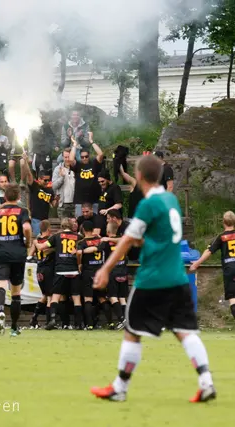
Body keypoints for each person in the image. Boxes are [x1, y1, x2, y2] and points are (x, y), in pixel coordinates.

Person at [90, 154, 216, 403]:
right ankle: (206, 382)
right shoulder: (171, 200)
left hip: (152, 279)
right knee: (185, 332)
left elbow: (127, 240)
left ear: (138, 176)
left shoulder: (148, 205)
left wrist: (104, 269)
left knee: (132, 332)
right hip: (177, 277)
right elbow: (159, 236)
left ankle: (119, 388)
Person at [0, 184, 32, 337]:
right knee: (16, 291)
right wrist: (28, 242)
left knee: (1, 285)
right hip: (18, 252)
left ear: (5, 197)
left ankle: (1, 311)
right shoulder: (22, 211)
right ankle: (14, 327)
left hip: (1, 252)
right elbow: (27, 228)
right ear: (18, 198)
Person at [36, 218, 82, 330]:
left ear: (62, 226)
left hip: (60, 269)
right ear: (72, 226)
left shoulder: (56, 236)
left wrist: (35, 243)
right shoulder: (79, 237)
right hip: (73, 269)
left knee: (55, 296)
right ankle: (79, 323)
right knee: (76, 297)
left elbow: (42, 248)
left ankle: (52, 319)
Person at [76, 220, 104, 329]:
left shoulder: (81, 242)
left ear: (82, 229)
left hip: (88, 272)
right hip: (100, 271)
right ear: (93, 230)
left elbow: (78, 253)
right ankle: (111, 322)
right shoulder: (100, 240)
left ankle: (90, 324)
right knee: (102, 297)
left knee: (88, 299)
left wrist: (79, 264)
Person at [21, 152, 56, 236]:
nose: (47, 182)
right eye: (45, 180)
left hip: (46, 220)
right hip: (36, 219)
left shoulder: (50, 190)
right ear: (39, 179)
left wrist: (56, 200)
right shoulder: (35, 186)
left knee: (44, 240)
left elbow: (53, 205)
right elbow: (29, 174)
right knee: (38, 238)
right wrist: (25, 161)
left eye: (48, 180)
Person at [69, 135, 104, 217]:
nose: (84, 158)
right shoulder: (78, 165)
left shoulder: (94, 164)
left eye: (86, 156)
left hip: (94, 199)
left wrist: (91, 141)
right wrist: (74, 145)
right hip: (80, 200)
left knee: (95, 221)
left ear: (89, 156)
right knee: (80, 222)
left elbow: (101, 154)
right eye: (82, 157)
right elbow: (71, 159)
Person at [28, 219, 55, 328]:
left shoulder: (36, 240)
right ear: (49, 229)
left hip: (39, 269)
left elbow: (30, 255)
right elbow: (47, 251)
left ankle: (34, 318)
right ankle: (49, 322)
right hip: (48, 269)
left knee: (44, 295)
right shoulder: (51, 240)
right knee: (50, 296)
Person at [52, 148, 76, 219]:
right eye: (65, 157)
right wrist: (61, 177)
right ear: (62, 157)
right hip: (63, 204)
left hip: (75, 203)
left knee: (75, 227)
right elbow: (53, 186)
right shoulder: (57, 169)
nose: (67, 159)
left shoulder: (77, 168)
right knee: (64, 227)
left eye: (69, 157)